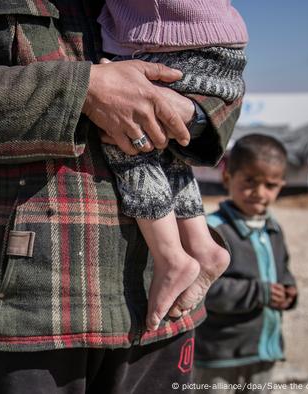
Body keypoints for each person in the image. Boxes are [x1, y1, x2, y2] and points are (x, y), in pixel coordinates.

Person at [0, 1, 241, 392]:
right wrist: (81, 89)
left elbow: (214, 45)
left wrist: (185, 111)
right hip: (32, 303)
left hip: (165, 298)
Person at [97, 0, 247, 330]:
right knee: (168, 153)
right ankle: (203, 247)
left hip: (169, 41)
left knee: (125, 135)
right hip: (220, 43)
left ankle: (170, 257)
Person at [195, 134, 297, 394]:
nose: (259, 193)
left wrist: (288, 290)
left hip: (262, 350)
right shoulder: (214, 230)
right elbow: (201, 291)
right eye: (249, 181)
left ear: (281, 186)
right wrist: (259, 293)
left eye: (270, 185)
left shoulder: (274, 229)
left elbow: (282, 271)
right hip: (219, 354)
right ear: (228, 177)